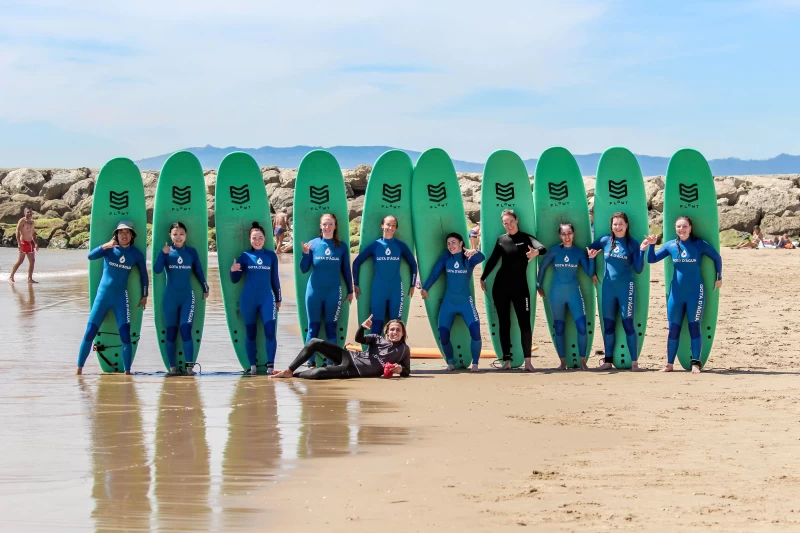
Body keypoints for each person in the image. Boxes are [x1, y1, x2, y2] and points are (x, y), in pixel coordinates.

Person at [641, 215, 722, 374]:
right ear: (675, 229)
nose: (681, 229)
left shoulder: (699, 244)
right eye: (678, 226)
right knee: (673, 329)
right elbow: (652, 259)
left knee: (694, 327)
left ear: (690, 228)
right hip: (676, 294)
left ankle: (695, 364)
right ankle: (669, 364)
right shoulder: (670, 245)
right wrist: (651, 245)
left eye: (684, 226)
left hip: (695, 293)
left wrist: (719, 277)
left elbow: (716, 257)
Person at [76, 221, 149, 375]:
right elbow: (90, 256)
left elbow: (144, 274)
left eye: (127, 232)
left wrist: (145, 294)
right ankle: (79, 371)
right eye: (121, 232)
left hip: (121, 298)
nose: (124, 235)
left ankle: (127, 373)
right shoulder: (109, 250)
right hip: (102, 297)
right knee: (90, 332)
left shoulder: (135, 254)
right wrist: (105, 245)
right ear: (116, 234)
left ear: (132, 236)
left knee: (125, 335)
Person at [479, 209, 546, 371]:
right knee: (504, 323)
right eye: (505, 223)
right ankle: (507, 361)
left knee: (525, 323)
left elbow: (543, 248)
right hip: (501, 287)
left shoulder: (526, 238)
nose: (509, 225)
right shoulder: (502, 240)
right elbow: (493, 260)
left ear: (517, 220)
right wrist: (482, 277)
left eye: (511, 222)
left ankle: (528, 362)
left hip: (520, 288)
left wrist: (535, 252)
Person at [587, 212, 645, 371]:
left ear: (626, 225)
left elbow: (639, 268)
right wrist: (592, 270)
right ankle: (607, 361)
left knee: (628, 325)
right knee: (608, 326)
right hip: (608, 289)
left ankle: (634, 364)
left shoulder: (633, 243)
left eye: (620, 224)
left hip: (626, 288)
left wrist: (642, 251)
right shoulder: (604, 241)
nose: (617, 227)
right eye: (615, 224)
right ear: (611, 226)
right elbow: (588, 251)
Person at [271, 314, 410, 379]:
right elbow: (359, 339)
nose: (395, 332)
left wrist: (400, 370)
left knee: (319, 373)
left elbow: (406, 371)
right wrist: (362, 327)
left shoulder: (404, 349)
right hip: (348, 356)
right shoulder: (377, 338)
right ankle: (289, 370)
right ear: (387, 332)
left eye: (398, 330)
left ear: (403, 333)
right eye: (392, 329)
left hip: (355, 369)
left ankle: (295, 375)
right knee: (314, 342)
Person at [420, 232, 484, 372]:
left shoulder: (469, 258)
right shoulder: (446, 257)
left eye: (454, 242)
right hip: (449, 303)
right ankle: (450, 362)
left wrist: (475, 251)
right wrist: (425, 288)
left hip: (466, 302)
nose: (451, 246)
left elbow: (482, 257)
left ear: (461, 243)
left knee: (475, 331)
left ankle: (475, 364)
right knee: (443, 334)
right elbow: (435, 273)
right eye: (448, 243)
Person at [153, 222, 209, 376]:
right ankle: (172, 368)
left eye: (181, 234)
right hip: (170, 298)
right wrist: (162, 253)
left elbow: (199, 270)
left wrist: (205, 287)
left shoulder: (191, 252)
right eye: (175, 234)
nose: (178, 237)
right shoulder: (167, 252)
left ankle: (189, 368)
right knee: (171, 332)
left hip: (187, 298)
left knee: (185, 330)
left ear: (186, 235)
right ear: (170, 235)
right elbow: (157, 270)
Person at [537, 222, 595, 370]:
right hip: (556, 295)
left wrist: (591, 258)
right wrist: (538, 284)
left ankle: (583, 362)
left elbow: (589, 272)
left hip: (574, 294)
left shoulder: (579, 252)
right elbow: (543, 267)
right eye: (563, 234)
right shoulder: (554, 251)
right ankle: (562, 363)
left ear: (573, 234)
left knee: (582, 327)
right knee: (559, 329)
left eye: (569, 233)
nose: (567, 237)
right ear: (559, 235)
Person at [352, 215, 418, 334]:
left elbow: (413, 264)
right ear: (382, 225)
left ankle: (396, 347)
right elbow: (356, 263)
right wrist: (355, 283)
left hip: (396, 290)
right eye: (388, 224)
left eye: (393, 225)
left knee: (396, 326)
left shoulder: (400, 245)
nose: (390, 228)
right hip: (378, 290)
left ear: (396, 228)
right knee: (376, 325)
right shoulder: (375, 245)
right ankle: (376, 346)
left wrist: (413, 284)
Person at [231, 222, 282, 375]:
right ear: (250, 239)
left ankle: (270, 367)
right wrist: (233, 271)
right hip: (248, 300)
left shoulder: (271, 256)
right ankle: (252, 367)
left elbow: (275, 279)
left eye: (260, 237)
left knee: (270, 332)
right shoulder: (245, 256)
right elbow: (235, 280)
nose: (257, 241)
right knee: (251, 333)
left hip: (267, 299)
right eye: (254, 238)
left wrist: (278, 298)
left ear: (265, 238)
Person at [300, 213, 354, 354]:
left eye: (330, 224)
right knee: (313, 329)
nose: (327, 227)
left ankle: (333, 363)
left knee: (331, 329)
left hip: (333, 293)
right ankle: (310, 361)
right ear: (320, 226)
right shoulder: (313, 244)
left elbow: (346, 270)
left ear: (335, 226)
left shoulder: (341, 246)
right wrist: (305, 253)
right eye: (324, 224)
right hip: (314, 292)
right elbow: (304, 269)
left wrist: (350, 290)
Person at [9, 208, 38, 283]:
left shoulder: (32, 222)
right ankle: (11, 276)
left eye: (30, 212)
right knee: (20, 261)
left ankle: (30, 278)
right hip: (23, 243)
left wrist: (36, 243)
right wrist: (19, 243)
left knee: (32, 261)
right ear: (25, 213)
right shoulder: (22, 221)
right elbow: (17, 231)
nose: (29, 213)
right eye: (28, 212)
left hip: (30, 243)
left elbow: (33, 233)